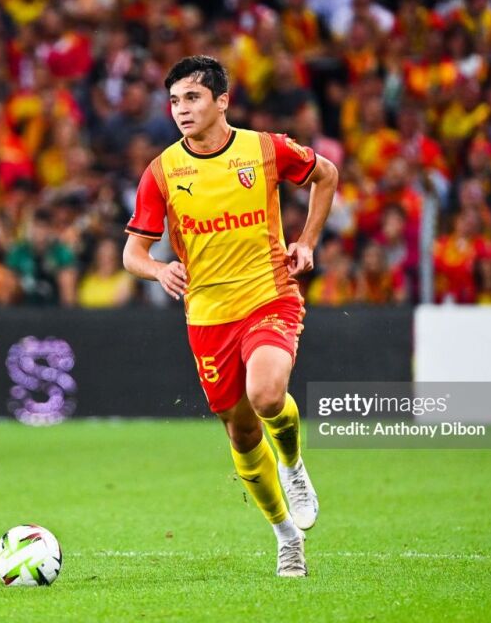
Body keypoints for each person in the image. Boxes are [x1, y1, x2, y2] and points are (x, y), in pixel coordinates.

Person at [122, 56, 338, 577]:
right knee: (241, 433)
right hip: (208, 318)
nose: (181, 110)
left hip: (268, 296)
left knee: (267, 395)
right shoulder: (162, 172)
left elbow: (326, 175)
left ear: (222, 101)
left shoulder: (264, 149)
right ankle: (286, 536)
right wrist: (158, 270)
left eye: (192, 98)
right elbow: (132, 253)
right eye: (174, 101)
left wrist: (307, 241)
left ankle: (293, 465)